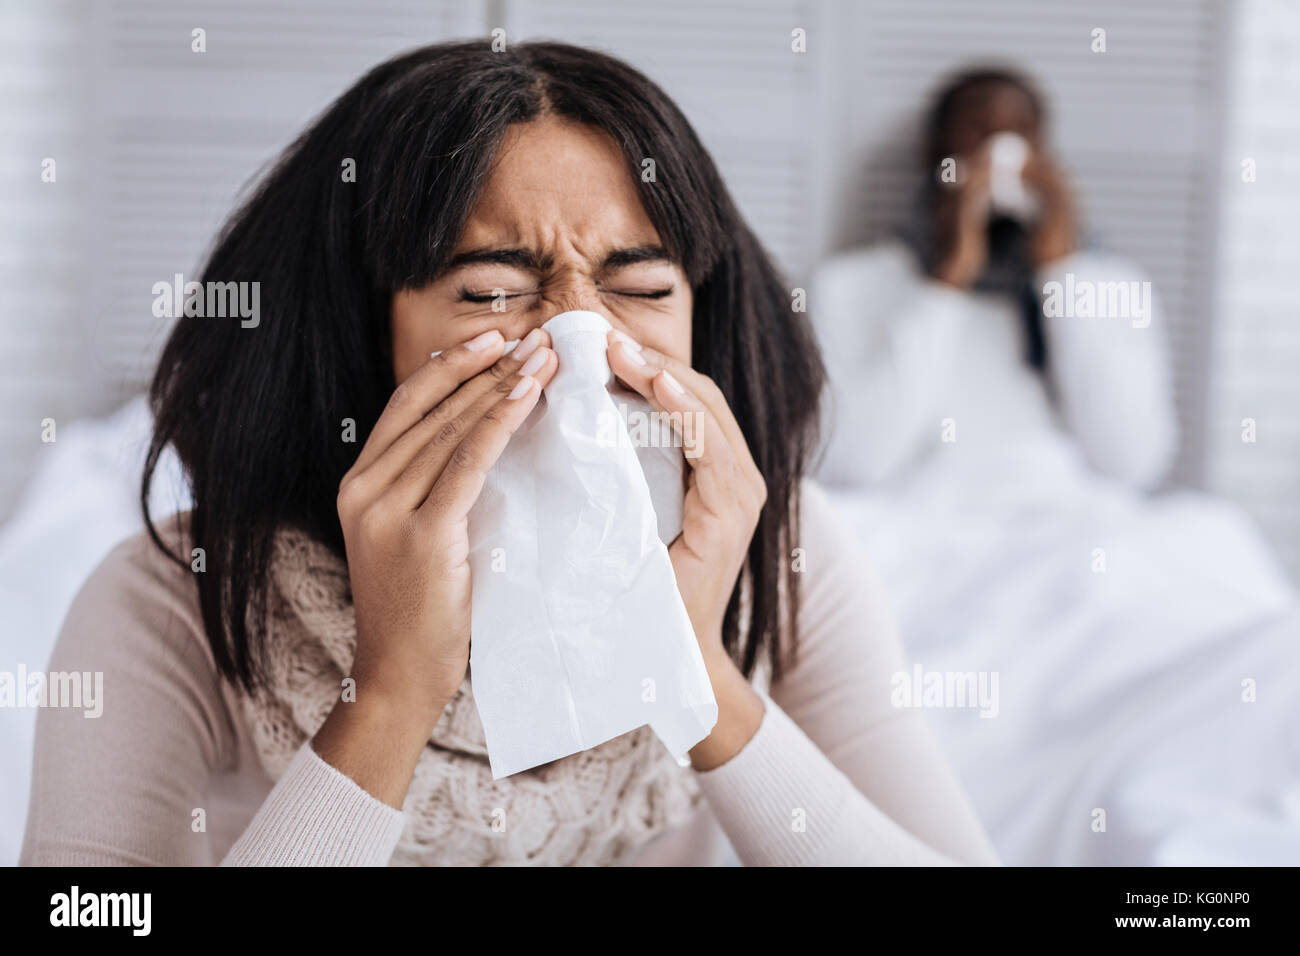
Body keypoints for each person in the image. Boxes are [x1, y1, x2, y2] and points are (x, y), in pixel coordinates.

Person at [20, 41, 997, 866]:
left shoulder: (784, 558)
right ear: (358, 337)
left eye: (644, 288)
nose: (580, 343)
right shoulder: (178, 597)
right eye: (490, 292)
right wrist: (393, 690)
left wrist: (689, 665)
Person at [812, 68, 1178, 491]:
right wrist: (946, 281)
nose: (1002, 154)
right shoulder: (851, 285)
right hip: (914, 529)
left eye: (1023, 133)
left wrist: (1061, 272)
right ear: (933, 154)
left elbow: (1132, 462)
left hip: (1069, 527)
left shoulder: (1114, 286)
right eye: (977, 130)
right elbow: (850, 465)